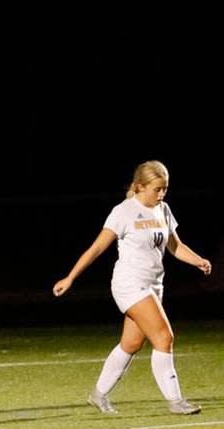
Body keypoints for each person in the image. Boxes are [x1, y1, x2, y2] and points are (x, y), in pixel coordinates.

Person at [53, 160, 212, 415]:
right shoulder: (124, 211)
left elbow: (175, 246)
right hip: (130, 284)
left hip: (153, 284)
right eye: (156, 189)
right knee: (164, 337)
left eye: (165, 189)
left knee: (131, 343)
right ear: (139, 186)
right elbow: (96, 248)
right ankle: (176, 401)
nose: (161, 195)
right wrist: (70, 277)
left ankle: (98, 395)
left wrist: (198, 261)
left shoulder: (164, 209)